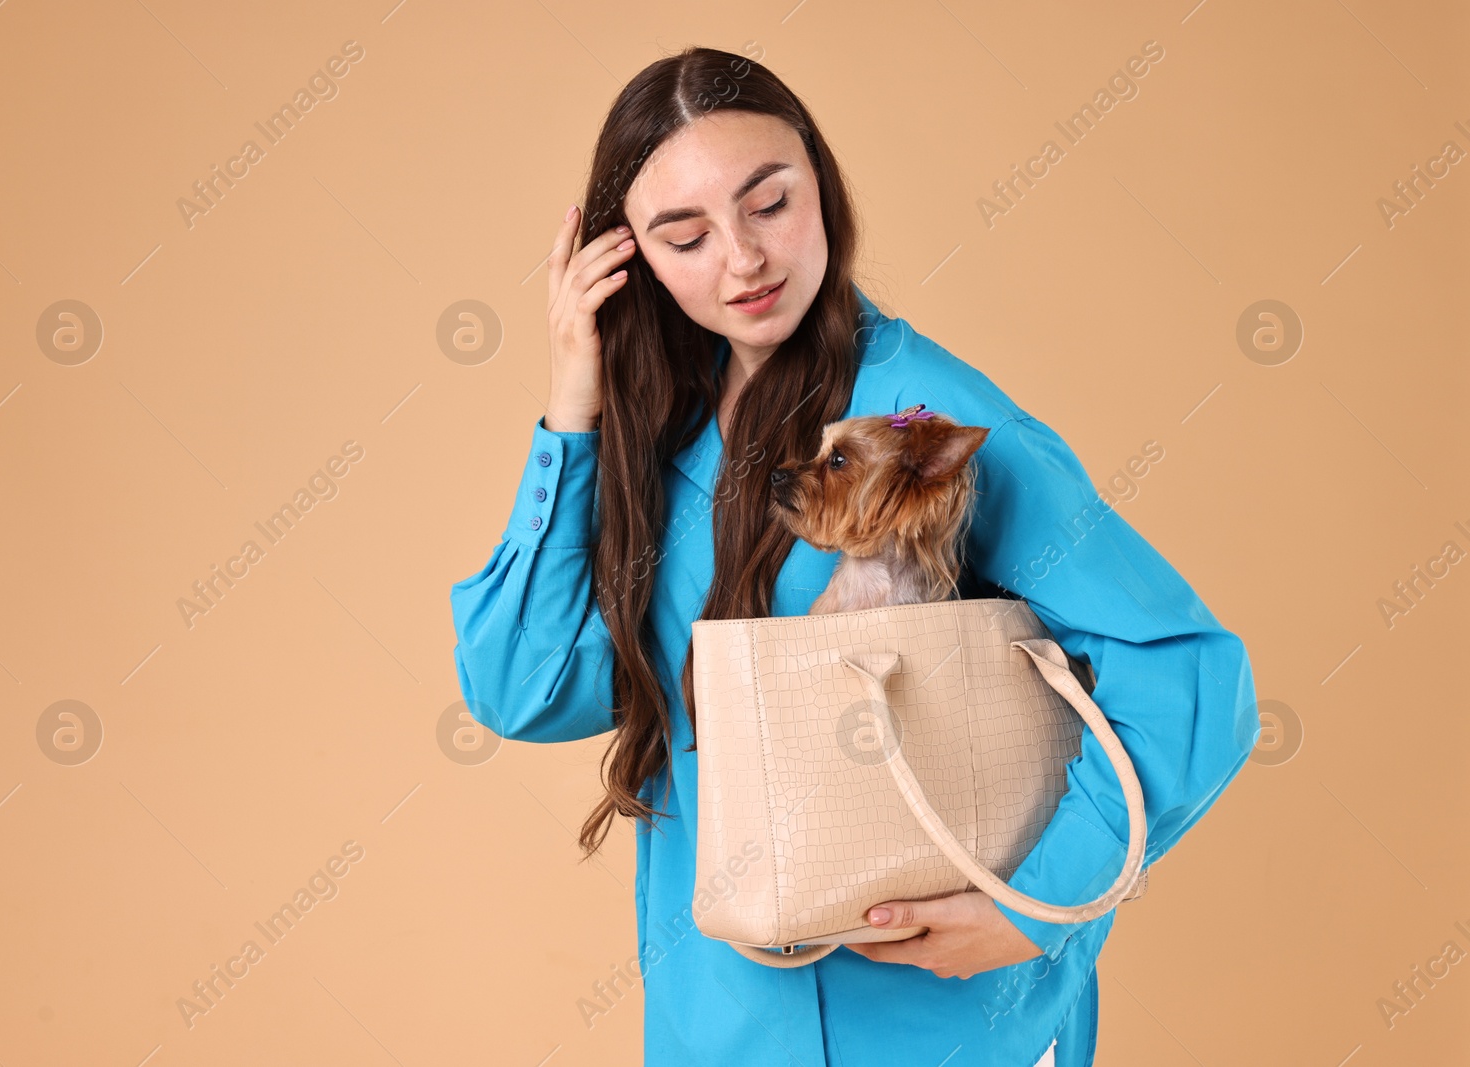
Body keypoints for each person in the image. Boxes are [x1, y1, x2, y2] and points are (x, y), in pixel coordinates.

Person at [449, 46, 1259, 1067]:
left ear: (822, 190)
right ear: (633, 258)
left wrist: (1037, 906)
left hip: (939, 1024)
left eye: (769, 203)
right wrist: (572, 405)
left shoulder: (922, 419)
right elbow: (524, 687)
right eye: (685, 234)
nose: (741, 259)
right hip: (722, 1018)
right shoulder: (658, 423)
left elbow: (1189, 672)